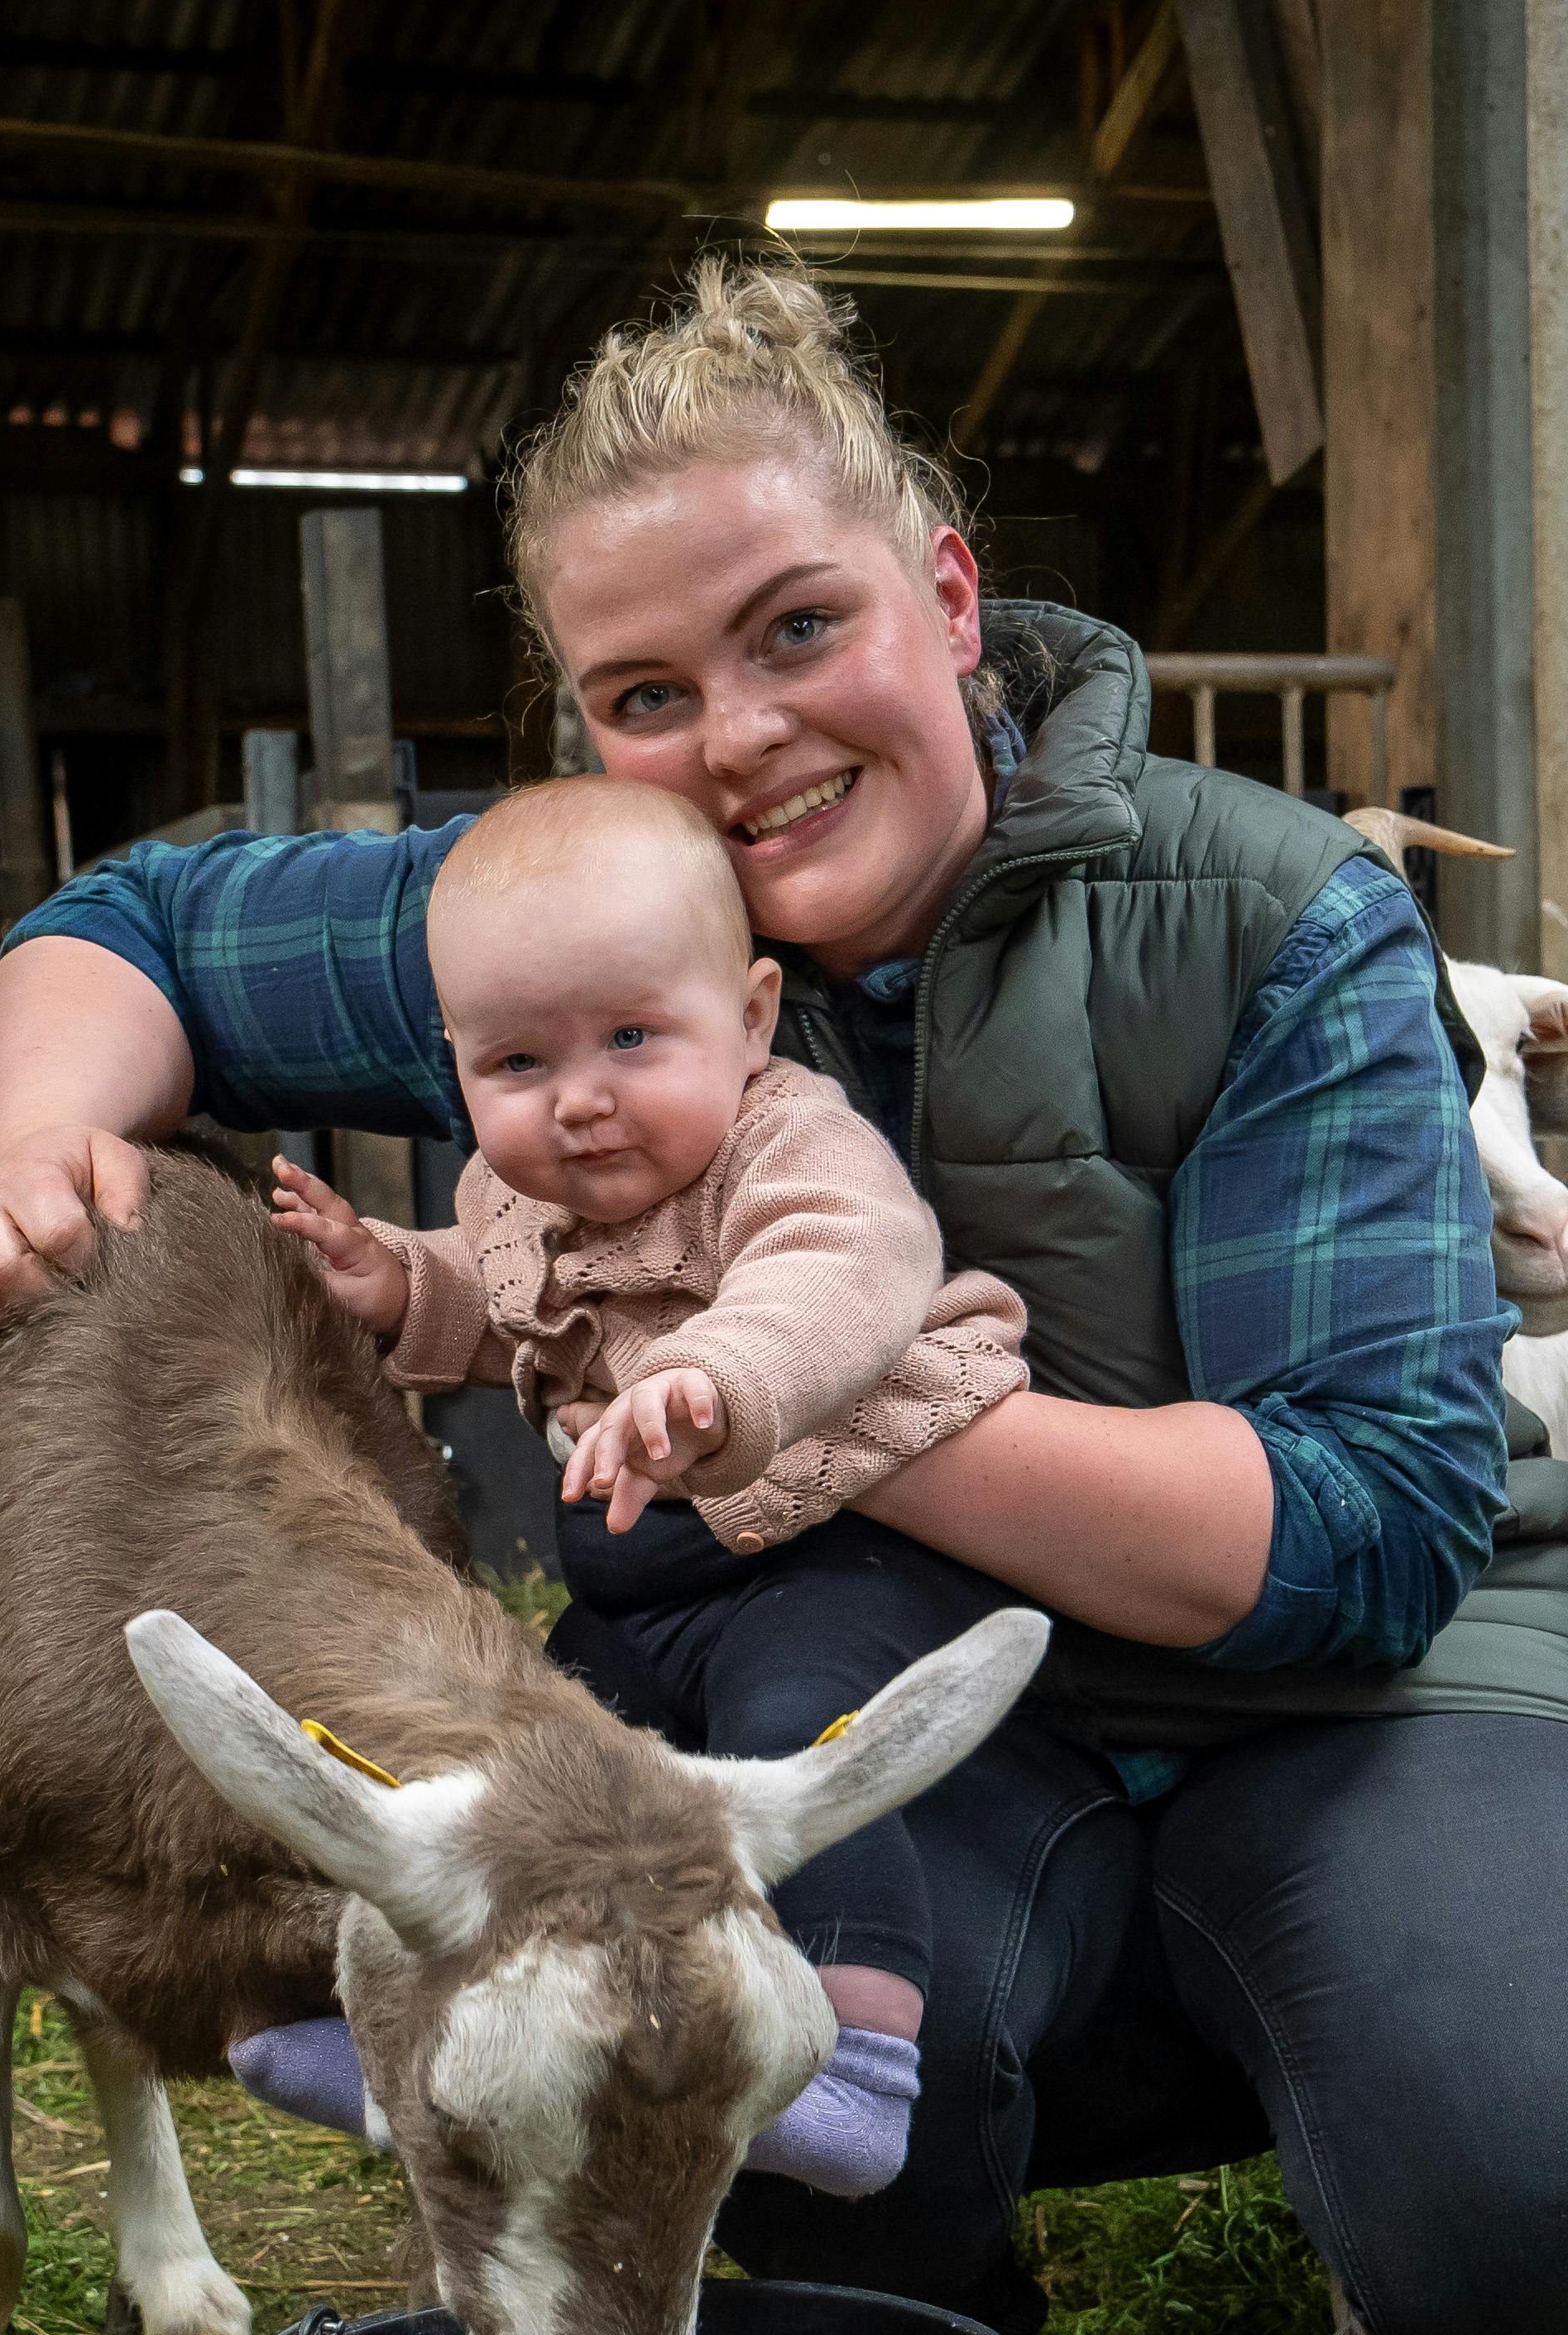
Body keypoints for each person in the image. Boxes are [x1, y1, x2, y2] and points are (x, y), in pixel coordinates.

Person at [0, 258, 1568, 2335]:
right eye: (642, 691)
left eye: (799, 629)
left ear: (947, 593)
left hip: (1357, 1696)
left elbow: (1370, 1529)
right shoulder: (568, 940)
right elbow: (117, 931)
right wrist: (37, 1146)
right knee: (688, 2089)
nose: (735, 737)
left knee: (1566, 2168)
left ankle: (1407, 2211)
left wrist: (829, 1408)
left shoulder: (1265, 913)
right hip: (856, 1710)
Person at [251, 770, 1030, 2198]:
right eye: (519, 1067)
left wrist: (713, 1379)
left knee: (806, 1738)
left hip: (831, 1541)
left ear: (745, 1018)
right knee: (532, 1768)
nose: (583, 1102)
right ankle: (416, 2039)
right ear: (458, 1066)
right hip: (643, 1575)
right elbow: (513, 1311)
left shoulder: (788, 1141)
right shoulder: (520, 1197)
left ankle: (860, 2065)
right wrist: (396, 1281)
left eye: (628, 1037)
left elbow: (842, 1271)